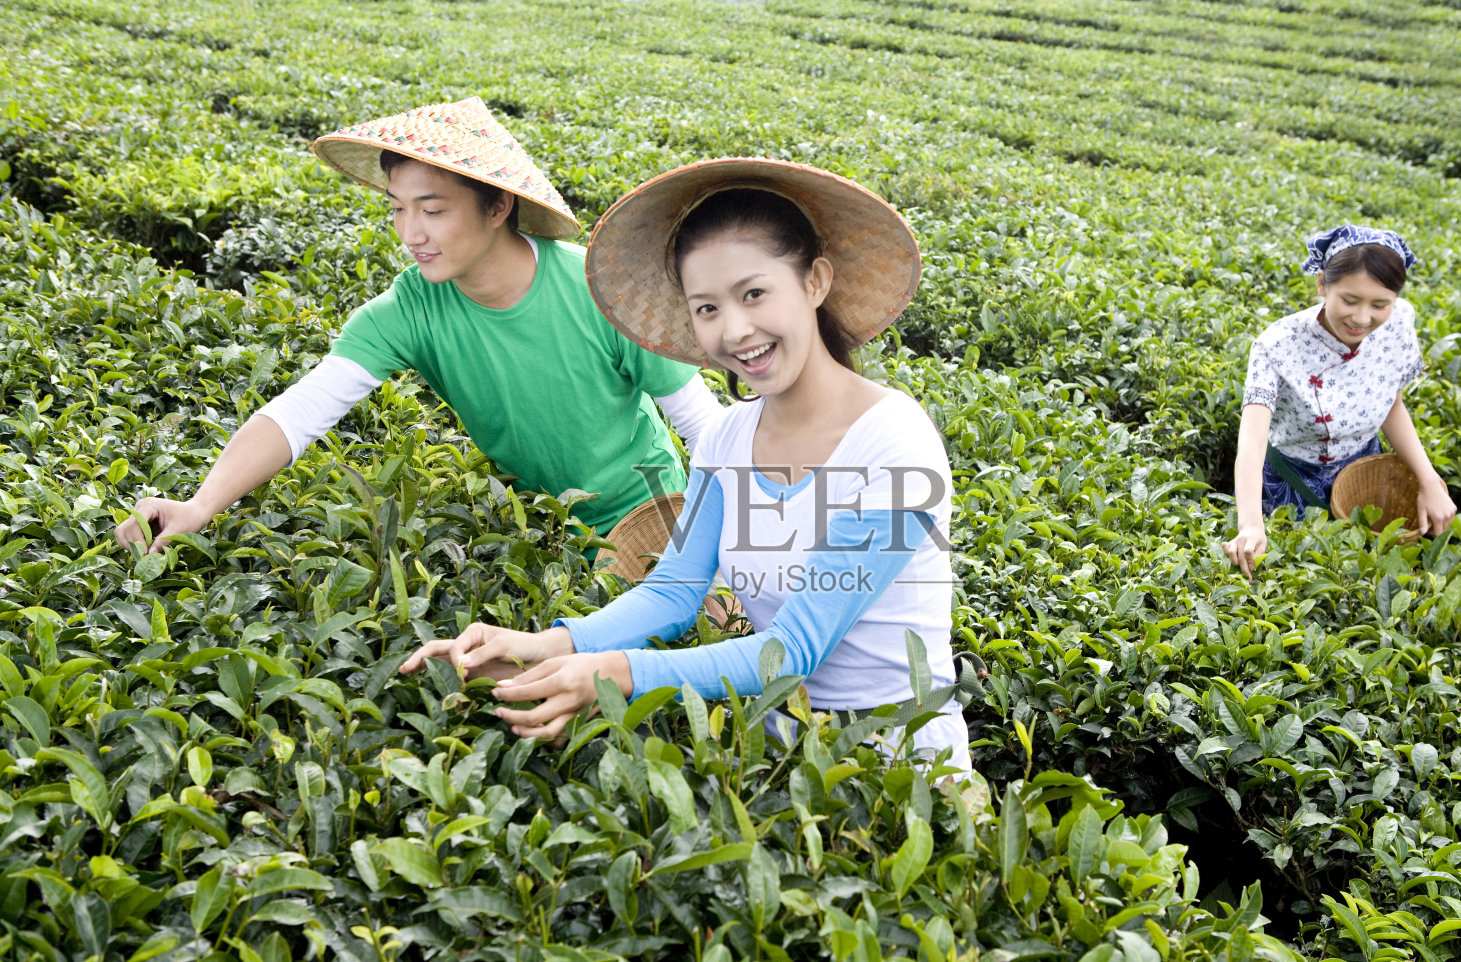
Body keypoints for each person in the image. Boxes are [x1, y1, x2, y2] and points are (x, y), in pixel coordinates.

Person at [400, 158, 971, 773]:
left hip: (906, 776)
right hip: (782, 764)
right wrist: (542, 647)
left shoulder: (892, 444)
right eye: (706, 308)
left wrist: (616, 671)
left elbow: (795, 649)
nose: (735, 330)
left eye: (754, 294)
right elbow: (674, 591)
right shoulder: (727, 438)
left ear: (814, 282)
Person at [113, 97, 722, 553]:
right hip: (540, 526)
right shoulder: (410, 310)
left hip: (651, 515)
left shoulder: (596, 291)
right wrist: (199, 505)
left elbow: (703, 425)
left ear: (497, 206)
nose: (411, 234)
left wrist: (729, 540)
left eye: (432, 210)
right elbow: (300, 412)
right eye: (399, 209)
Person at [1223, 224, 1456, 580]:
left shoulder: (1399, 322)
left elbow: (1391, 404)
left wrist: (1428, 480)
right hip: (1293, 481)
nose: (1363, 318)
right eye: (1349, 300)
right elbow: (1251, 444)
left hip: (1366, 472)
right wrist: (1251, 524)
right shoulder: (1278, 345)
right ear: (1322, 284)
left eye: (1380, 304)